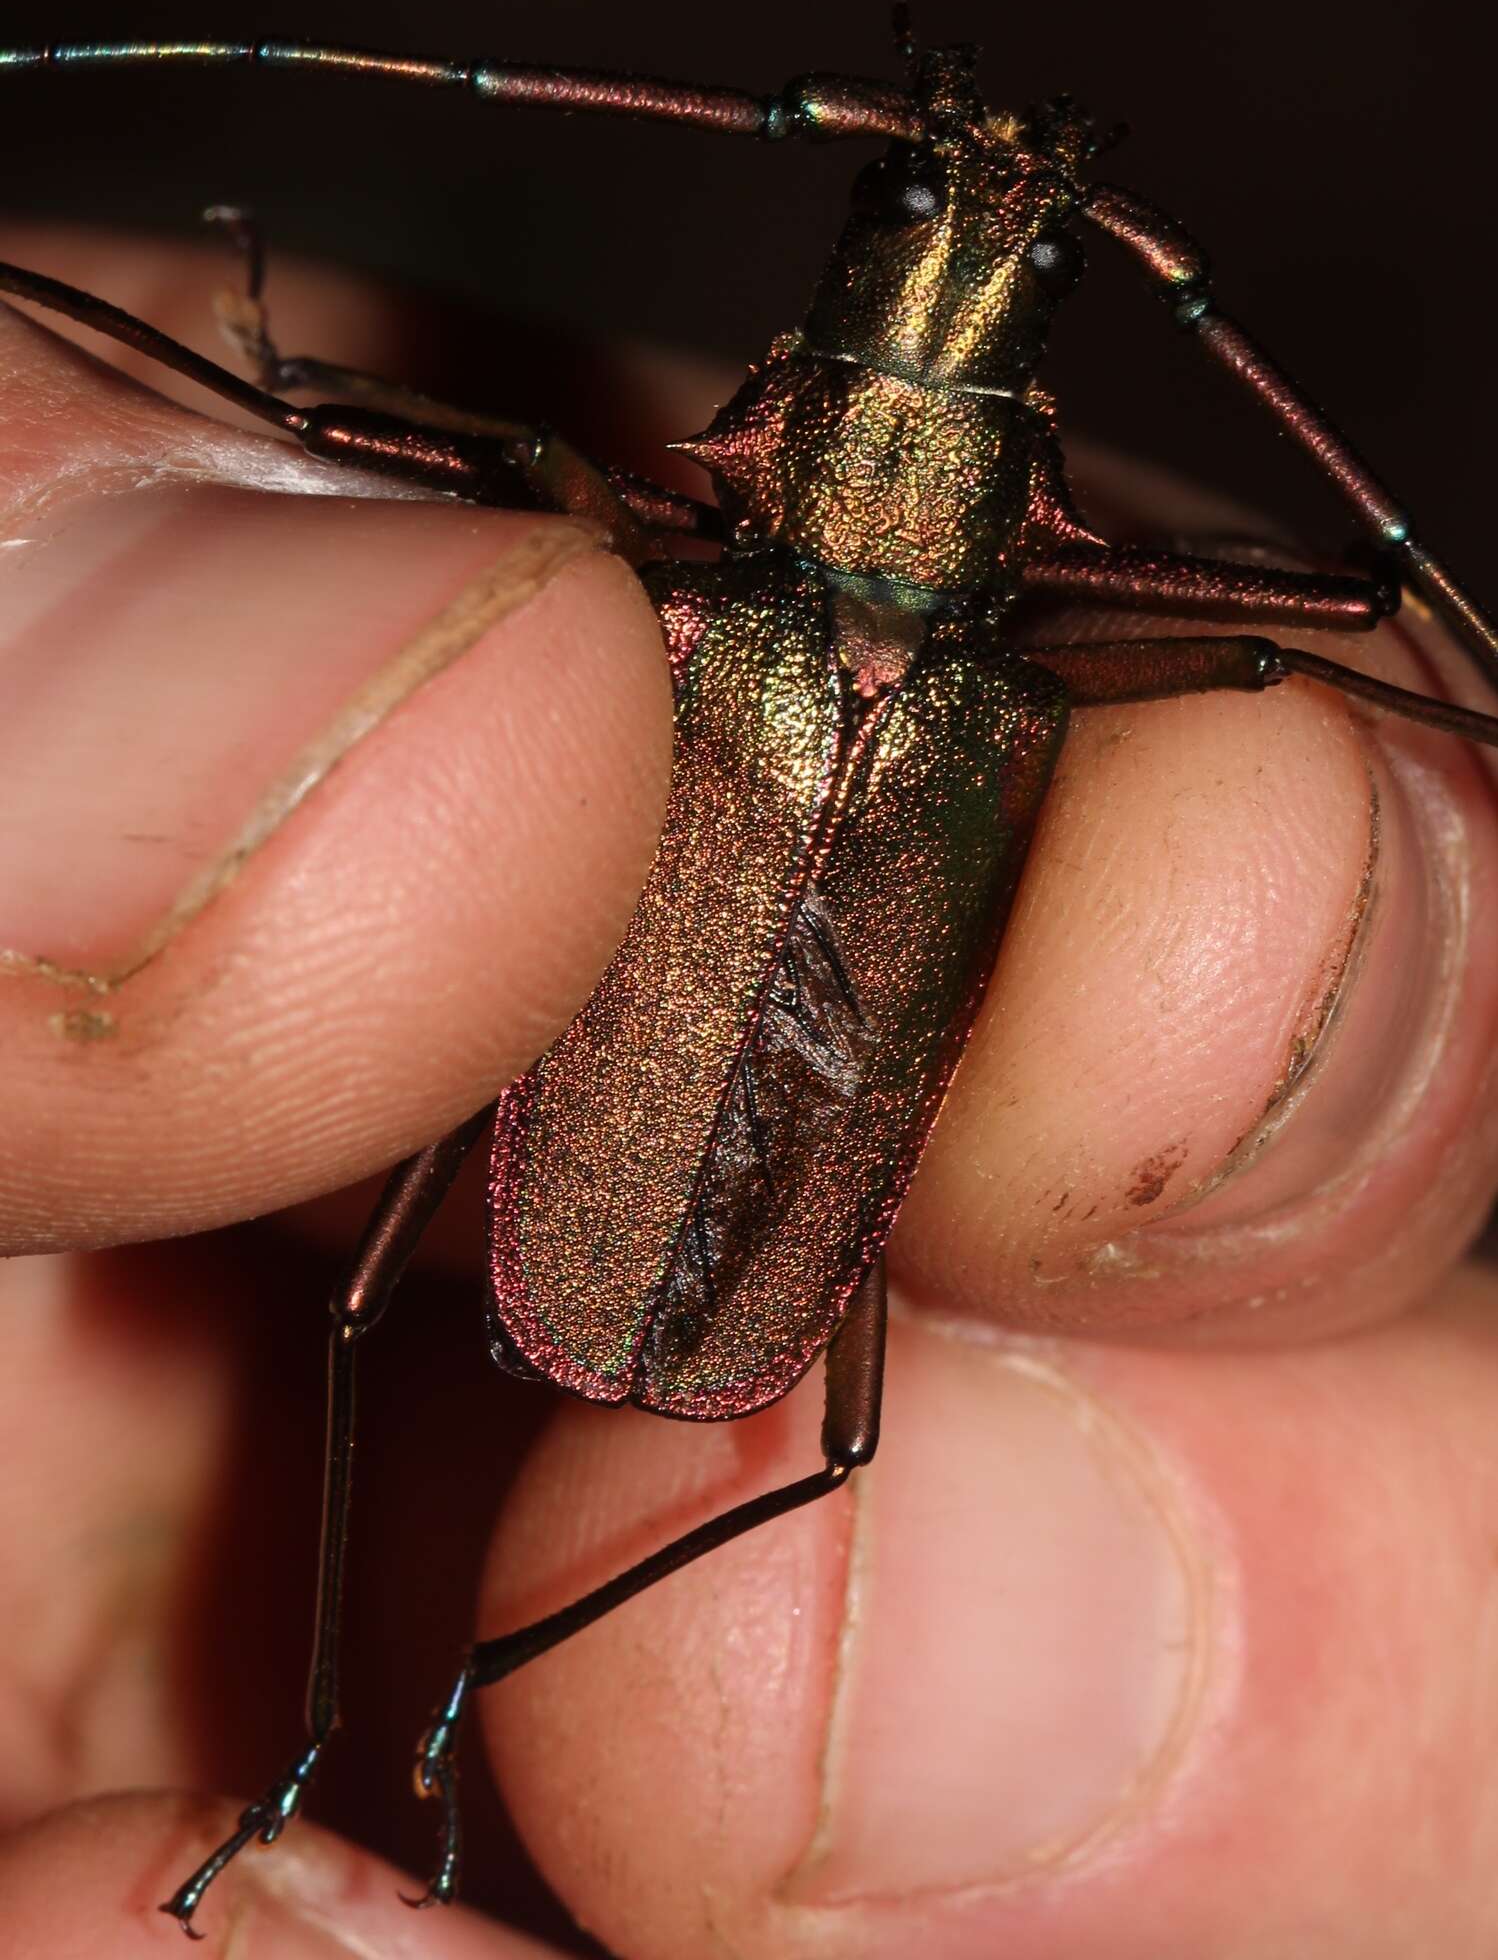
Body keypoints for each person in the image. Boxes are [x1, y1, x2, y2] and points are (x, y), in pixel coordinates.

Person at [3, 227, 1496, 1958]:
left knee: (397, 1315)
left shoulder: (672, 592)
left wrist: (289, 383)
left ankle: (365, 1723)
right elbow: (1335, 613)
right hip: (664, 1242)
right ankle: (377, 1717)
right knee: (1277, 676)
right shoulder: (998, 693)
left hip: (660, 1261)